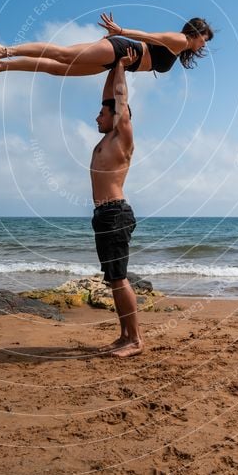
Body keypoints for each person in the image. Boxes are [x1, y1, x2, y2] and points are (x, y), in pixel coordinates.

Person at [90, 46, 143, 358]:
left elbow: (119, 97)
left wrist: (122, 65)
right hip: (103, 215)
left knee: (120, 279)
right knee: (113, 279)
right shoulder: (104, 139)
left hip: (115, 214)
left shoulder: (121, 135)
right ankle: (124, 336)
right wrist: (112, 65)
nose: (97, 116)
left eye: (102, 113)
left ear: (117, 117)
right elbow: (110, 95)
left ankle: (135, 340)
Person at [0, 13, 213, 80]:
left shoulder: (181, 49)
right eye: (205, 38)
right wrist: (121, 31)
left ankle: (2, 67)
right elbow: (149, 36)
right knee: (63, 54)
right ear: (196, 32)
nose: (204, 43)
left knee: (59, 69)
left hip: (118, 62)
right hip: (119, 49)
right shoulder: (181, 40)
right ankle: (4, 49)